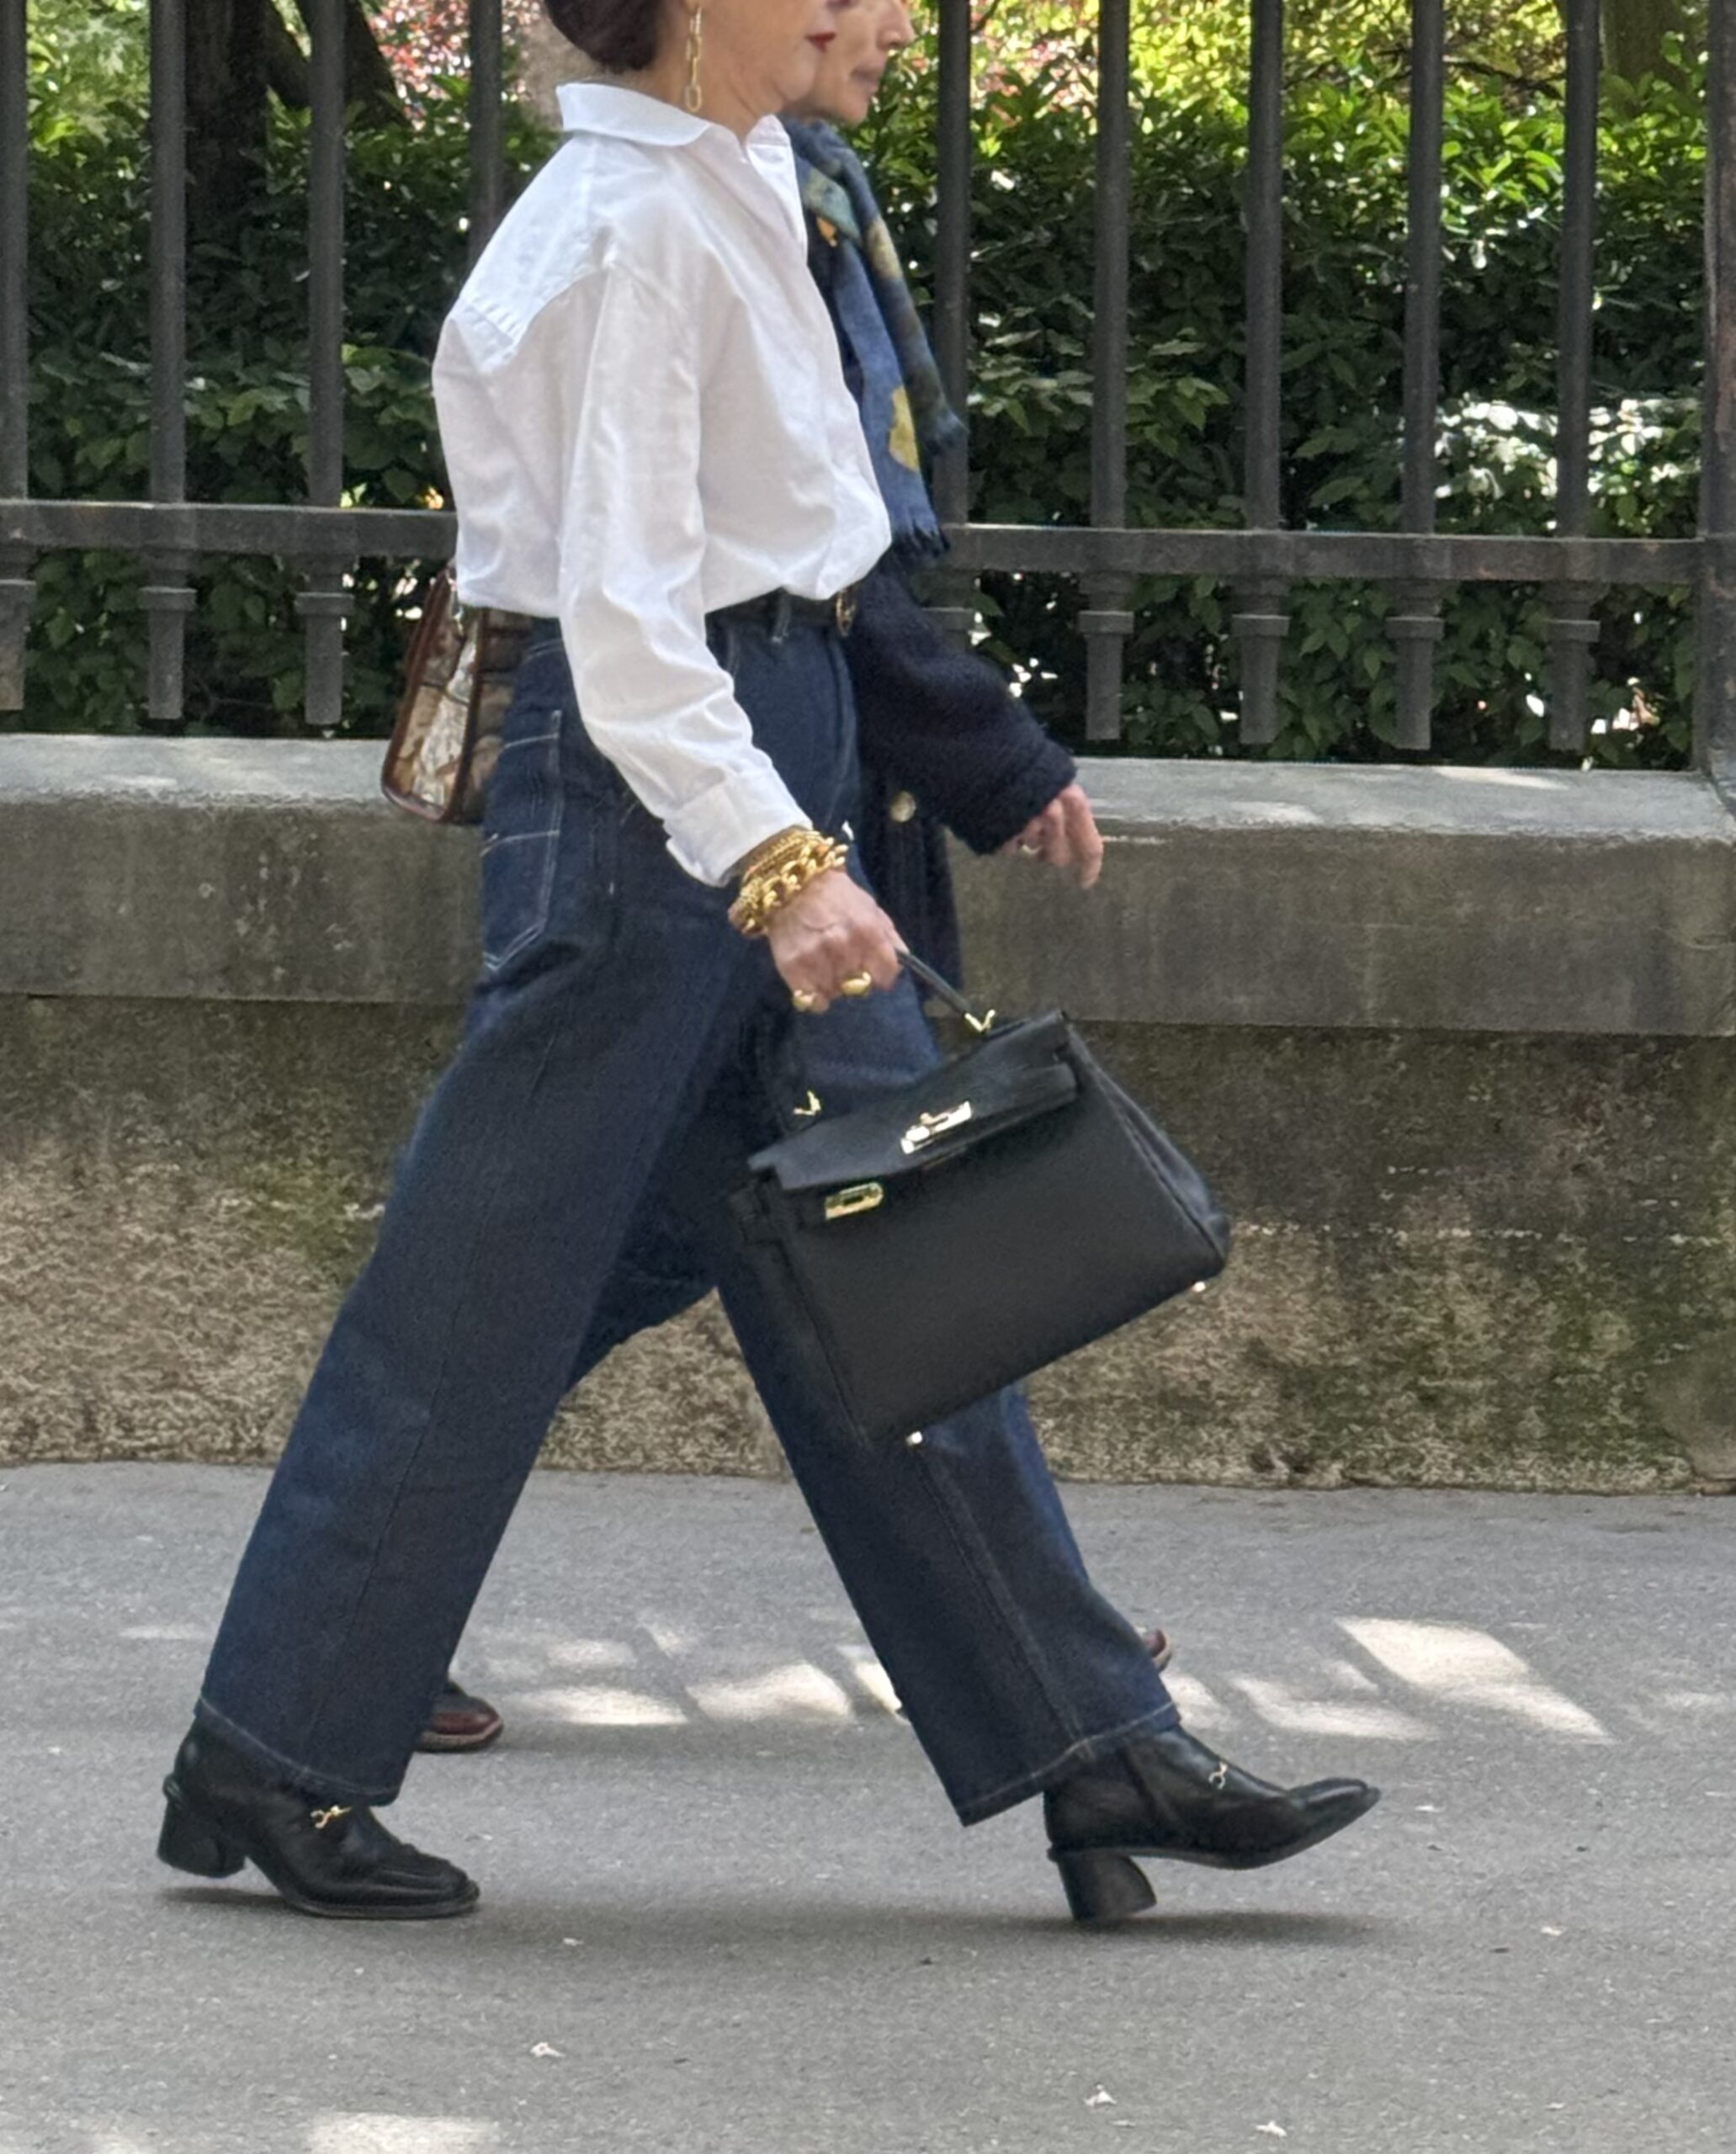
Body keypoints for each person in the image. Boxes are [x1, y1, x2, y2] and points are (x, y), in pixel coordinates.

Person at [157, 0, 1378, 1927]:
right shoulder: (623, 229)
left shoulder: (731, 183)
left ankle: (1092, 1742)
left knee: (905, 1260)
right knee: (477, 1282)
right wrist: (785, 863)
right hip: (676, 793)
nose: (890, 13)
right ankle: (274, 1751)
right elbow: (630, 619)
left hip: (757, 752)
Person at [420, 0, 1166, 1759]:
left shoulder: (770, 188)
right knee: (643, 1260)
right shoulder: (678, 213)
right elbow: (724, 583)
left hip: (776, 768)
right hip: (717, 785)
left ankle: (1072, 1696)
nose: (891, 24)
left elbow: (824, 556)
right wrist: (817, 840)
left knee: (783, 1250)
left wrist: (966, 763)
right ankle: (336, 1639)